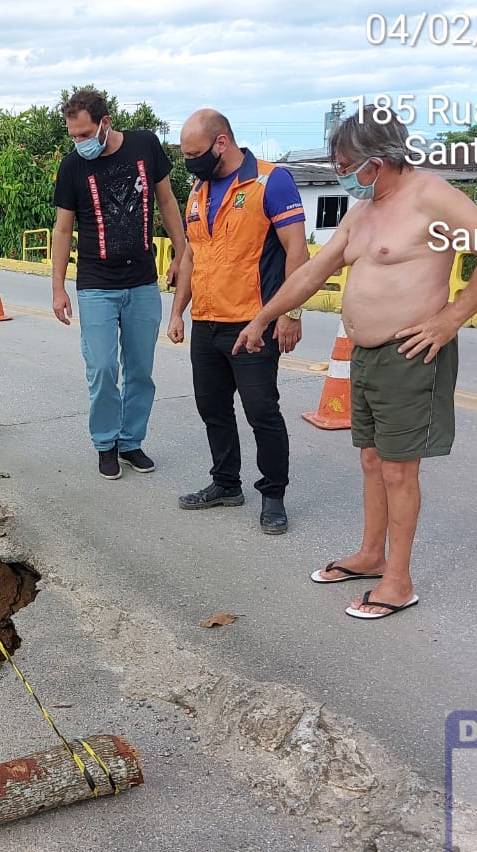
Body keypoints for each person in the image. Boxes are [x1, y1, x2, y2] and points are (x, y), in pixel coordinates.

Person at [232, 104, 477, 618]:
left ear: (379, 160)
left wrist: (450, 319)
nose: (343, 174)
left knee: (398, 470)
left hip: (409, 354)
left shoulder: (429, 196)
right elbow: (311, 273)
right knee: (371, 460)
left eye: (346, 164)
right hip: (365, 356)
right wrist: (262, 317)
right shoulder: (363, 211)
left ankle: (398, 579)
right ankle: (371, 555)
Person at [167, 109, 308, 535]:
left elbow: (297, 252)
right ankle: (225, 483)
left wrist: (290, 313)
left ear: (221, 143)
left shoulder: (270, 180)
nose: (189, 161)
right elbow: (192, 255)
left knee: (262, 411)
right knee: (212, 409)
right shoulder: (198, 190)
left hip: (253, 324)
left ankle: (273, 495)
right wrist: (177, 311)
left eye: (194, 153)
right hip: (207, 321)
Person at [52, 88, 186, 480]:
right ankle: (105, 442)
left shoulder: (144, 145)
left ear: (105, 123)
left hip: (142, 282)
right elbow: (63, 229)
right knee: (103, 368)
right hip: (95, 284)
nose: (78, 143)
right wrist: (58, 287)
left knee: (141, 370)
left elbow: (167, 201)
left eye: (84, 134)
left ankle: (131, 442)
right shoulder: (72, 167)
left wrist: (181, 252)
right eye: (72, 136)